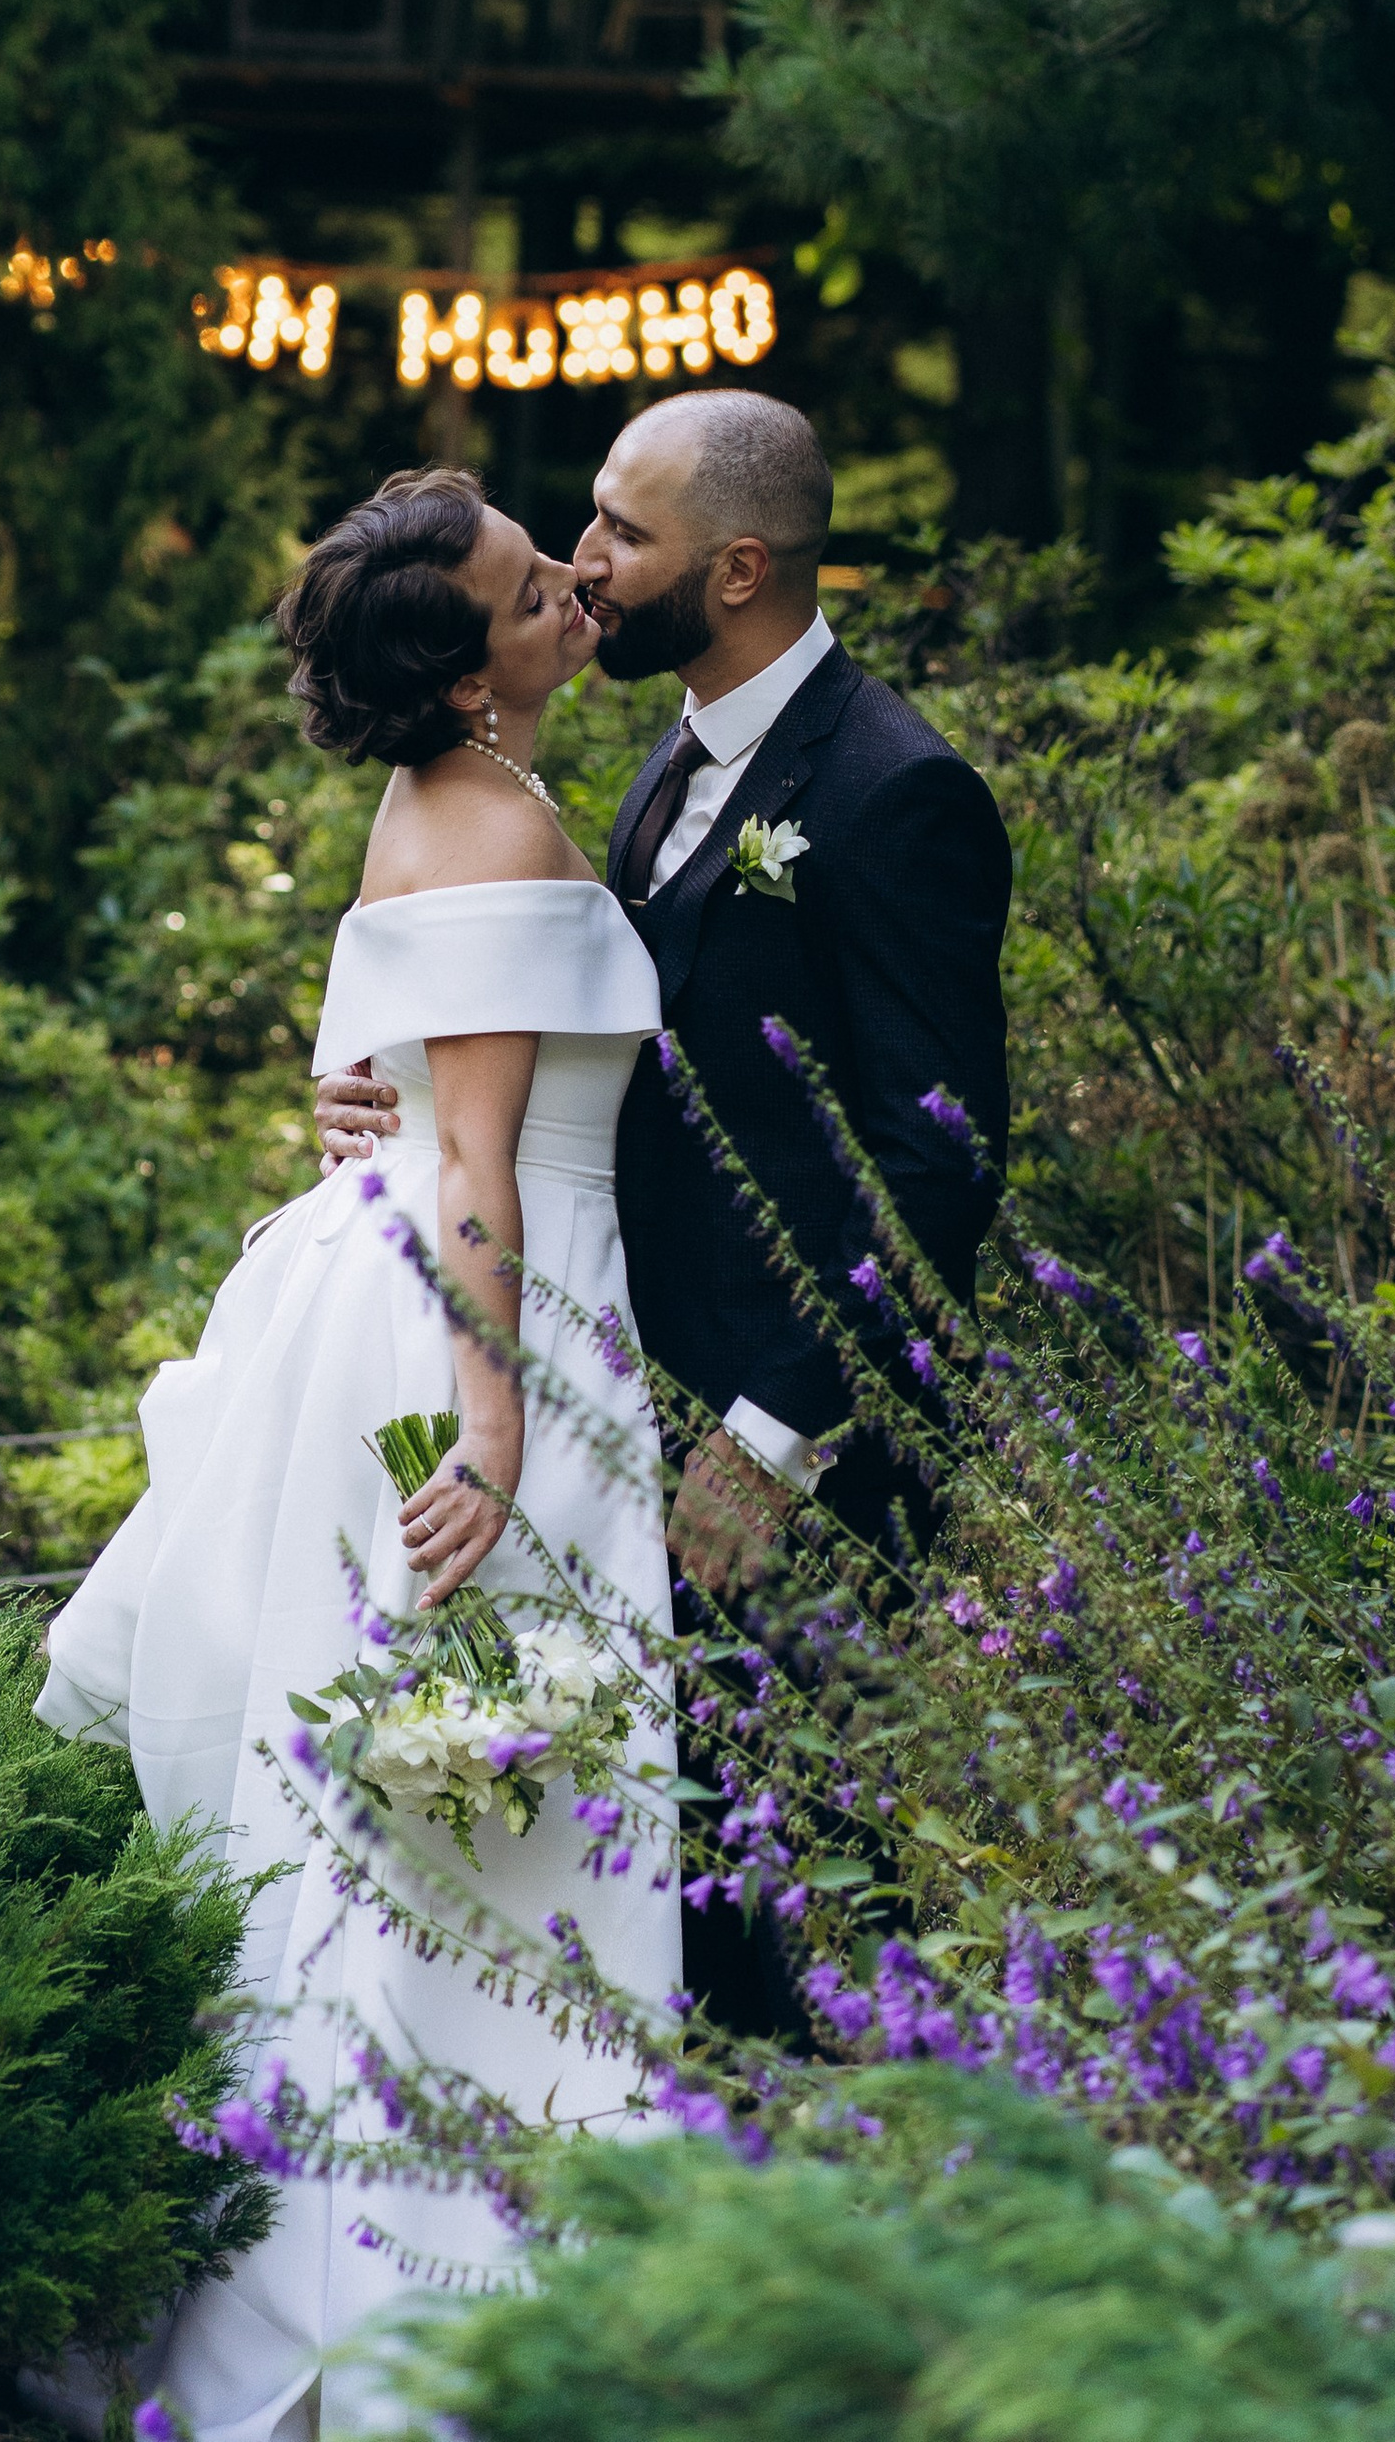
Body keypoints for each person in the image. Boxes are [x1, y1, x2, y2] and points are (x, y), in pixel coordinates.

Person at [35, 468, 680, 2442]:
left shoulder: (463, 797)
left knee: (441, 1809)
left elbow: (409, 1087)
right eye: (528, 588)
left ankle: (427, 2281)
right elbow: (474, 1159)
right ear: (467, 673)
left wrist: (361, 1111)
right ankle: (432, 2315)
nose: (568, 589)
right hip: (487, 1325)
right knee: (475, 1822)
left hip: (425, 1290)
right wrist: (495, 1427)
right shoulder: (491, 821)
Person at [316, 393, 1011, 2022]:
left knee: (800, 1897)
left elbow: (939, 1162)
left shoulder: (896, 790)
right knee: (646, 1888)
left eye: (625, 534)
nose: (586, 561)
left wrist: (775, 1437)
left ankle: (838, 2178)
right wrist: (383, 1094)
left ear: (741, 568)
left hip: (786, 1443)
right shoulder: (657, 765)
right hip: (623, 1398)